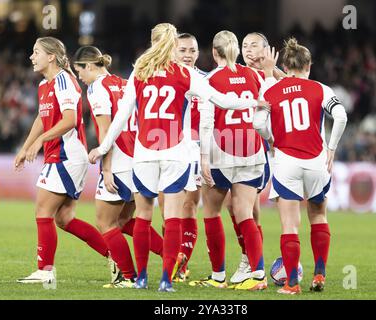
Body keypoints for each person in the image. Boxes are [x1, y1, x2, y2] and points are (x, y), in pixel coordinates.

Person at [88, 23, 269, 292]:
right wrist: (253, 102)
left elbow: (121, 117)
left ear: (152, 41)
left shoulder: (140, 70)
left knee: (145, 215)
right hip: (175, 152)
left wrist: (102, 149)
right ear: (173, 45)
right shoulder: (185, 74)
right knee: (173, 215)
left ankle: (140, 278)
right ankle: (166, 279)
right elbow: (220, 99)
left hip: (145, 153)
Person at [253, 37, 348, 294]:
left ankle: (292, 283)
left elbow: (258, 124)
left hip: (286, 162)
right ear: (308, 66)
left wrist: (271, 139)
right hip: (317, 160)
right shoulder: (321, 89)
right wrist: (331, 147)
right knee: (318, 216)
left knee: (289, 225)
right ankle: (319, 275)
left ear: (285, 64)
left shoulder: (271, 89)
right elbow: (341, 116)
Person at [15, 37, 111, 284]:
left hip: (67, 154)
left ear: (51, 57)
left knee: (43, 210)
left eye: (36, 52)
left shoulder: (64, 81)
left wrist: (40, 142)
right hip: (59, 154)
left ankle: (45, 271)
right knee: (64, 218)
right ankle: (115, 256)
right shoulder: (44, 85)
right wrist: (26, 146)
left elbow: (69, 119)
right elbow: (41, 117)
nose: (31, 57)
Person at [188, 30, 276, 291]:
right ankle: (258, 274)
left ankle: (218, 277)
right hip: (252, 150)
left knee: (212, 212)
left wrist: (204, 157)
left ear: (214, 53)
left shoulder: (211, 79)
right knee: (245, 213)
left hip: (221, 152)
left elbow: (206, 121)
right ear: (237, 51)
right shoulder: (256, 76)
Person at [72, 46, 163, 288]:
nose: (80, 77)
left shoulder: (97, 88)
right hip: (140, 156)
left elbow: (105, 130)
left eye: (79, 70)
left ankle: (128, 276)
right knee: (124, 219)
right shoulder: (124, 82)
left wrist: (106, 168)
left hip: (120, 159)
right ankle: (172, 257)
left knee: (105, 222)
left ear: (90, 66)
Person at [225, 31, 283, 285]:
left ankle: (252, 264)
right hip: (235, 151)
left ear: (267, 49)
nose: (248, 50)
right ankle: (251, 260)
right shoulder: (237, 72)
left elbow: (296, 83)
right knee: (240, 209)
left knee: (243, 209)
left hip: (257, 152)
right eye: (244, 45)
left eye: (254, 45)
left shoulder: (269, 76)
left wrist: (272, 70)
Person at [168, 33, 206, 282]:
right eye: (182, 50)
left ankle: (182, 262)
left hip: (196, 148)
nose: (188, 55)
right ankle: (173, 258)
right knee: (167, 210)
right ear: (173, 52)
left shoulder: (205, 80)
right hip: (166, 146)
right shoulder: (163, 78)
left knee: (189, 206)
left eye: (192, 50)